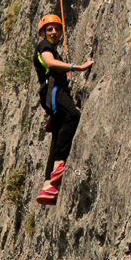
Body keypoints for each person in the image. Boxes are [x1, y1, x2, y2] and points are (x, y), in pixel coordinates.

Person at [33, 14, 93, 205]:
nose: (54, 32)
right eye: (49, 29)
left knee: (58, 135)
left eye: (57, 29)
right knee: (73, 116)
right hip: (53, 90)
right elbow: (50, 63)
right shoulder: (45, 46)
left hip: (52, 92)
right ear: (43, 33)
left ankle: (48, 186)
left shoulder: (53, 49)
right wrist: (78, 68)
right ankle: (59, 164)